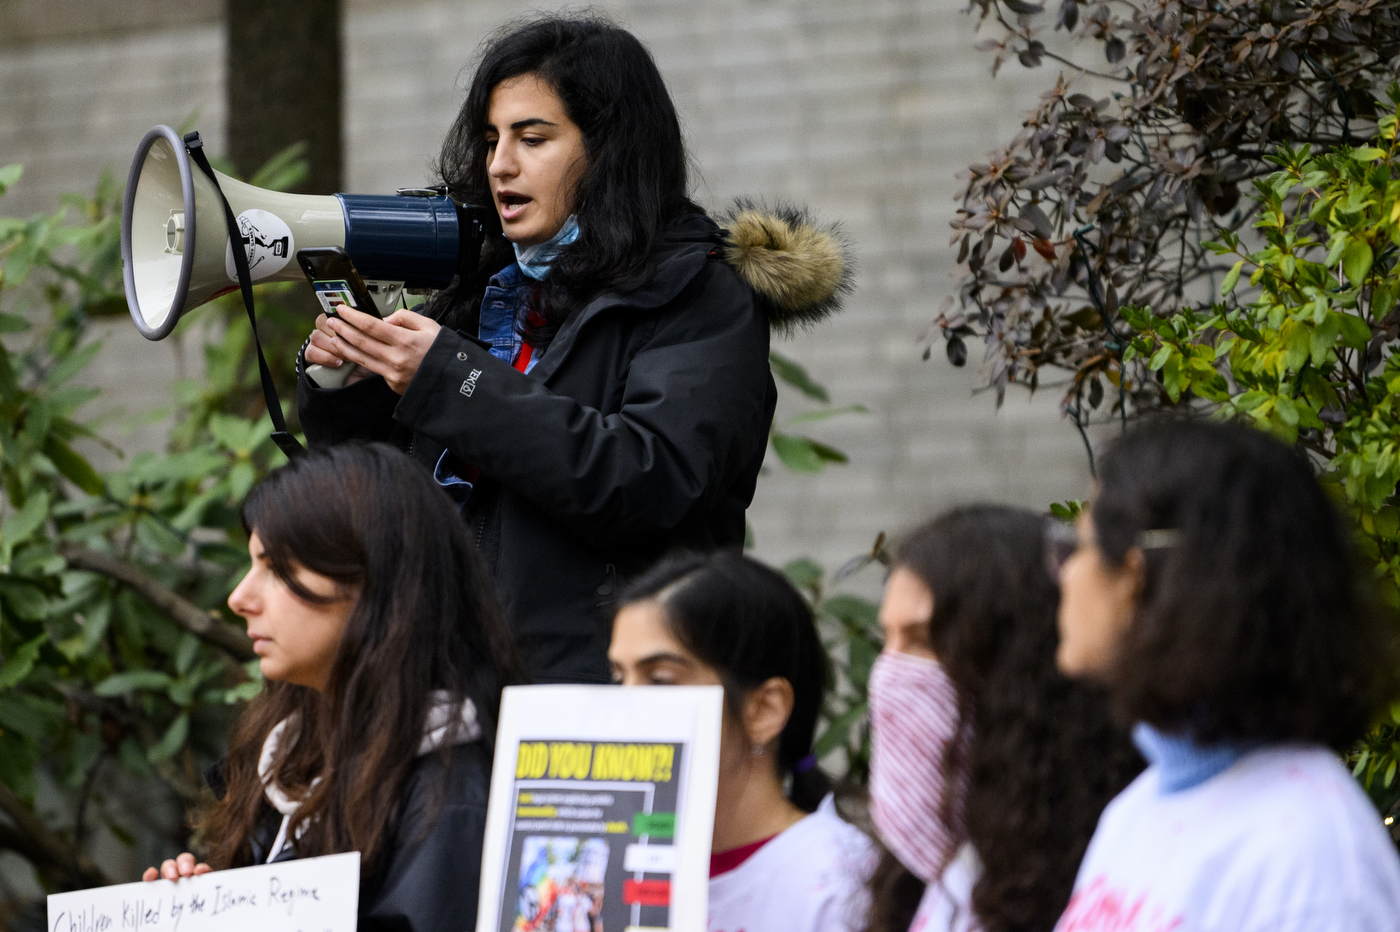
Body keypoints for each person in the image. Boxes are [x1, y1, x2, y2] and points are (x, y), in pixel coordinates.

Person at [297, 14, 852, 685]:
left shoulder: (701, 295)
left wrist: (451, 377)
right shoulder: (480, 289)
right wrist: (347, 389)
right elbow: (377, 511)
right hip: (445, 697)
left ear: (611, 150)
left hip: (597, 701)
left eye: (533, 138)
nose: (499, 164)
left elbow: (644, 480)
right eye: (491, 139)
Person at [141, 443, 527, 932]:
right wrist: (196, 906)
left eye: (278, 569)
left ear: (376, 583)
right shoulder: (289, 752)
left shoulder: (451, 791)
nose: (239, 598)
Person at [1052, 420, 1400, 930]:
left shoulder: (1308, 858)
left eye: (1078, 544)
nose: (1063, 571)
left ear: (1135, 575)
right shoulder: (1138, 810)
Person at [865, 506, 1142, 932]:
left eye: (922, 639)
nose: (890, 673)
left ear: (1012, 663)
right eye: (888, 638)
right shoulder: (923, 882)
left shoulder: (1113, 865)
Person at [609, 550, 877, 932]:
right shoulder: (613, 865)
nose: (624, 706)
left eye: (660, 680)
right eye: (619, 678)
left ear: (764, 710)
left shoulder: (844, 887)